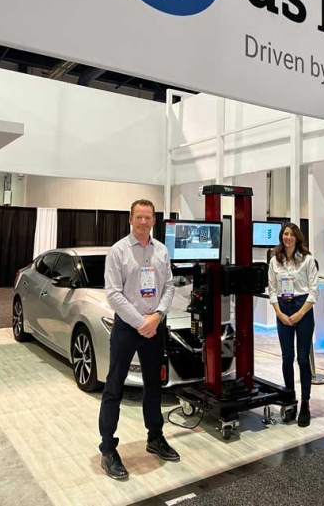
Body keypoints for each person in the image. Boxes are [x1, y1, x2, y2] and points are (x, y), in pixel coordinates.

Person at [98, 199, 179, 480]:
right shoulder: (118, 251)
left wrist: (156, 316)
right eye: (139, 217)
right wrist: (139, 321)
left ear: (154, 220)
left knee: (154, 385)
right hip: (127, 328)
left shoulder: (162, 251)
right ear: (130, 220)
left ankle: (155, 437)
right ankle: (108, 448)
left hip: (154, 326)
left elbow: (168, 286)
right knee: (114, 386)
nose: (144, 222)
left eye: (148, 217)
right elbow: (113, 293)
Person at [268, 223, 319, 428]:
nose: (288, 237)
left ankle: (305, 403)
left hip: (303, 308)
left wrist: (300, 313)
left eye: (291, 234)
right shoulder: (275, 261)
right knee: (287, 358)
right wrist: (279, 313)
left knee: (303, 358)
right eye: (285, 234)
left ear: (297, 238)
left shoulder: (307, 260)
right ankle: (291, 400)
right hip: (283, 309)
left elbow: (314, 291)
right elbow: (272, 289)